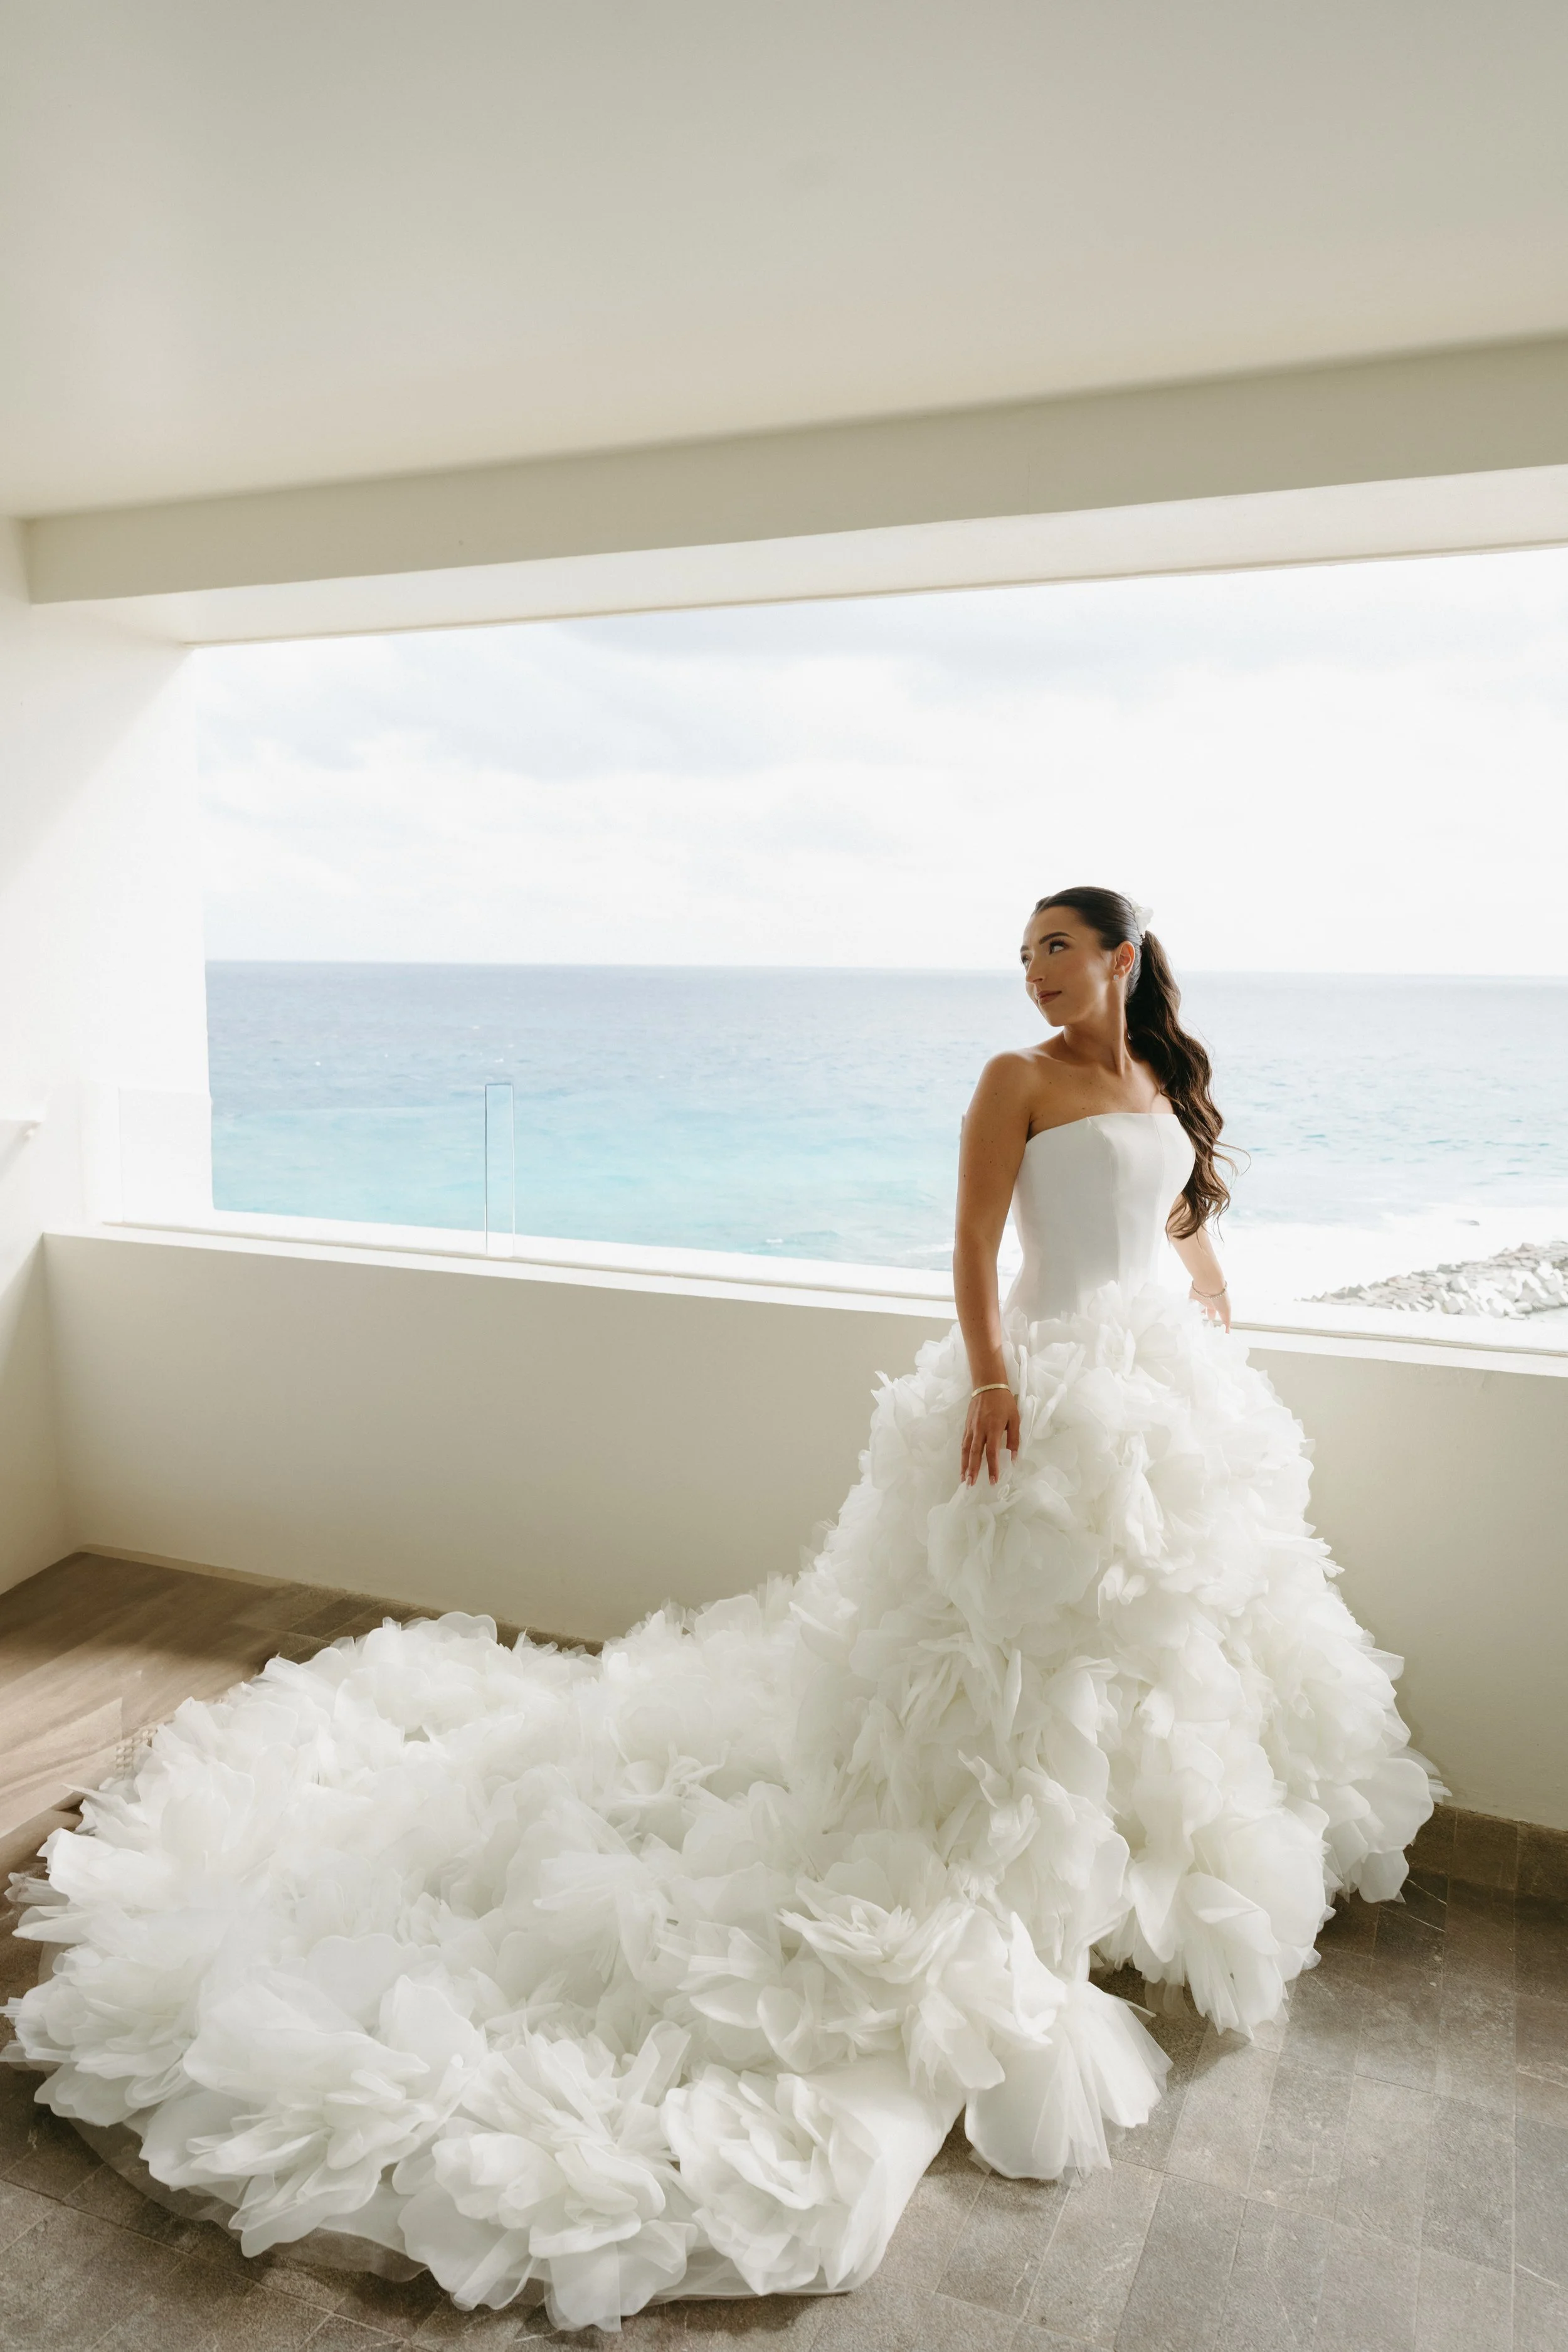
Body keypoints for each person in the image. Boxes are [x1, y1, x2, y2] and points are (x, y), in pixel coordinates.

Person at [8, 888, 1437, 2334]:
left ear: (1119, 957)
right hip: (1041, 1402)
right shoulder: (1012, 1079)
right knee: (1003, 1663)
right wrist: (995, 1380)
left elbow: (1179, 1229)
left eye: (1053, 950)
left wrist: (1212, 1333)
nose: (1030, 975)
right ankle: (1004, 1864)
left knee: (1154, 1656)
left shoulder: (1158, 1077)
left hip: (1160, 1400)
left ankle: (1118, 1867)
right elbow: (970, 1246)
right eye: (1020, 956)